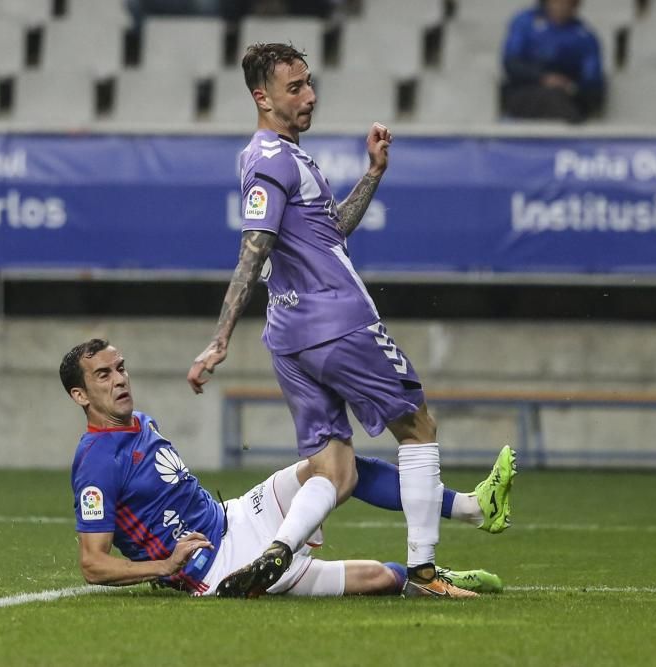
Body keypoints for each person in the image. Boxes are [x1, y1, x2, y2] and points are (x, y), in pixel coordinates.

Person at [186, 43, 506, 599]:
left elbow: (327, 231)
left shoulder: (276, 157)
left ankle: (279, 550)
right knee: (418, 426)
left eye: (310, 84)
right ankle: (426, 573)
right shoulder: (272, 161)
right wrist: (217, 342)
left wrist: (373, 174)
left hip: (289, 338)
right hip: (337, 320)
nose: (308, 96)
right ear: (262, 98)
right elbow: (254, 249)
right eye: (294, 89)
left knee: (335, 467)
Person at [64, 339, 515, 597]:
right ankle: (429, 577)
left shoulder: (141, 422)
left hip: (236, 514)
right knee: (378, 577)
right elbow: (93, 564)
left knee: (336, 466)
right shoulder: (97, 463)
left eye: (120, 368)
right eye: (103, 375)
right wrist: (163, 568)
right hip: (221, 566)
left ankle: (471, 507)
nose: (120, 379)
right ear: (80, 396)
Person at [501, 0, 605, 123]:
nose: (561, 6)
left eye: (567, 2)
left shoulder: (585, 36)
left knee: (561, 99)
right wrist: (544, 78)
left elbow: (593, 80)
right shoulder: (525, 22)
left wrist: (570, 87)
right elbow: (512, 64)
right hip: (526, 92)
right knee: (552, 99)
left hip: (568, 96)